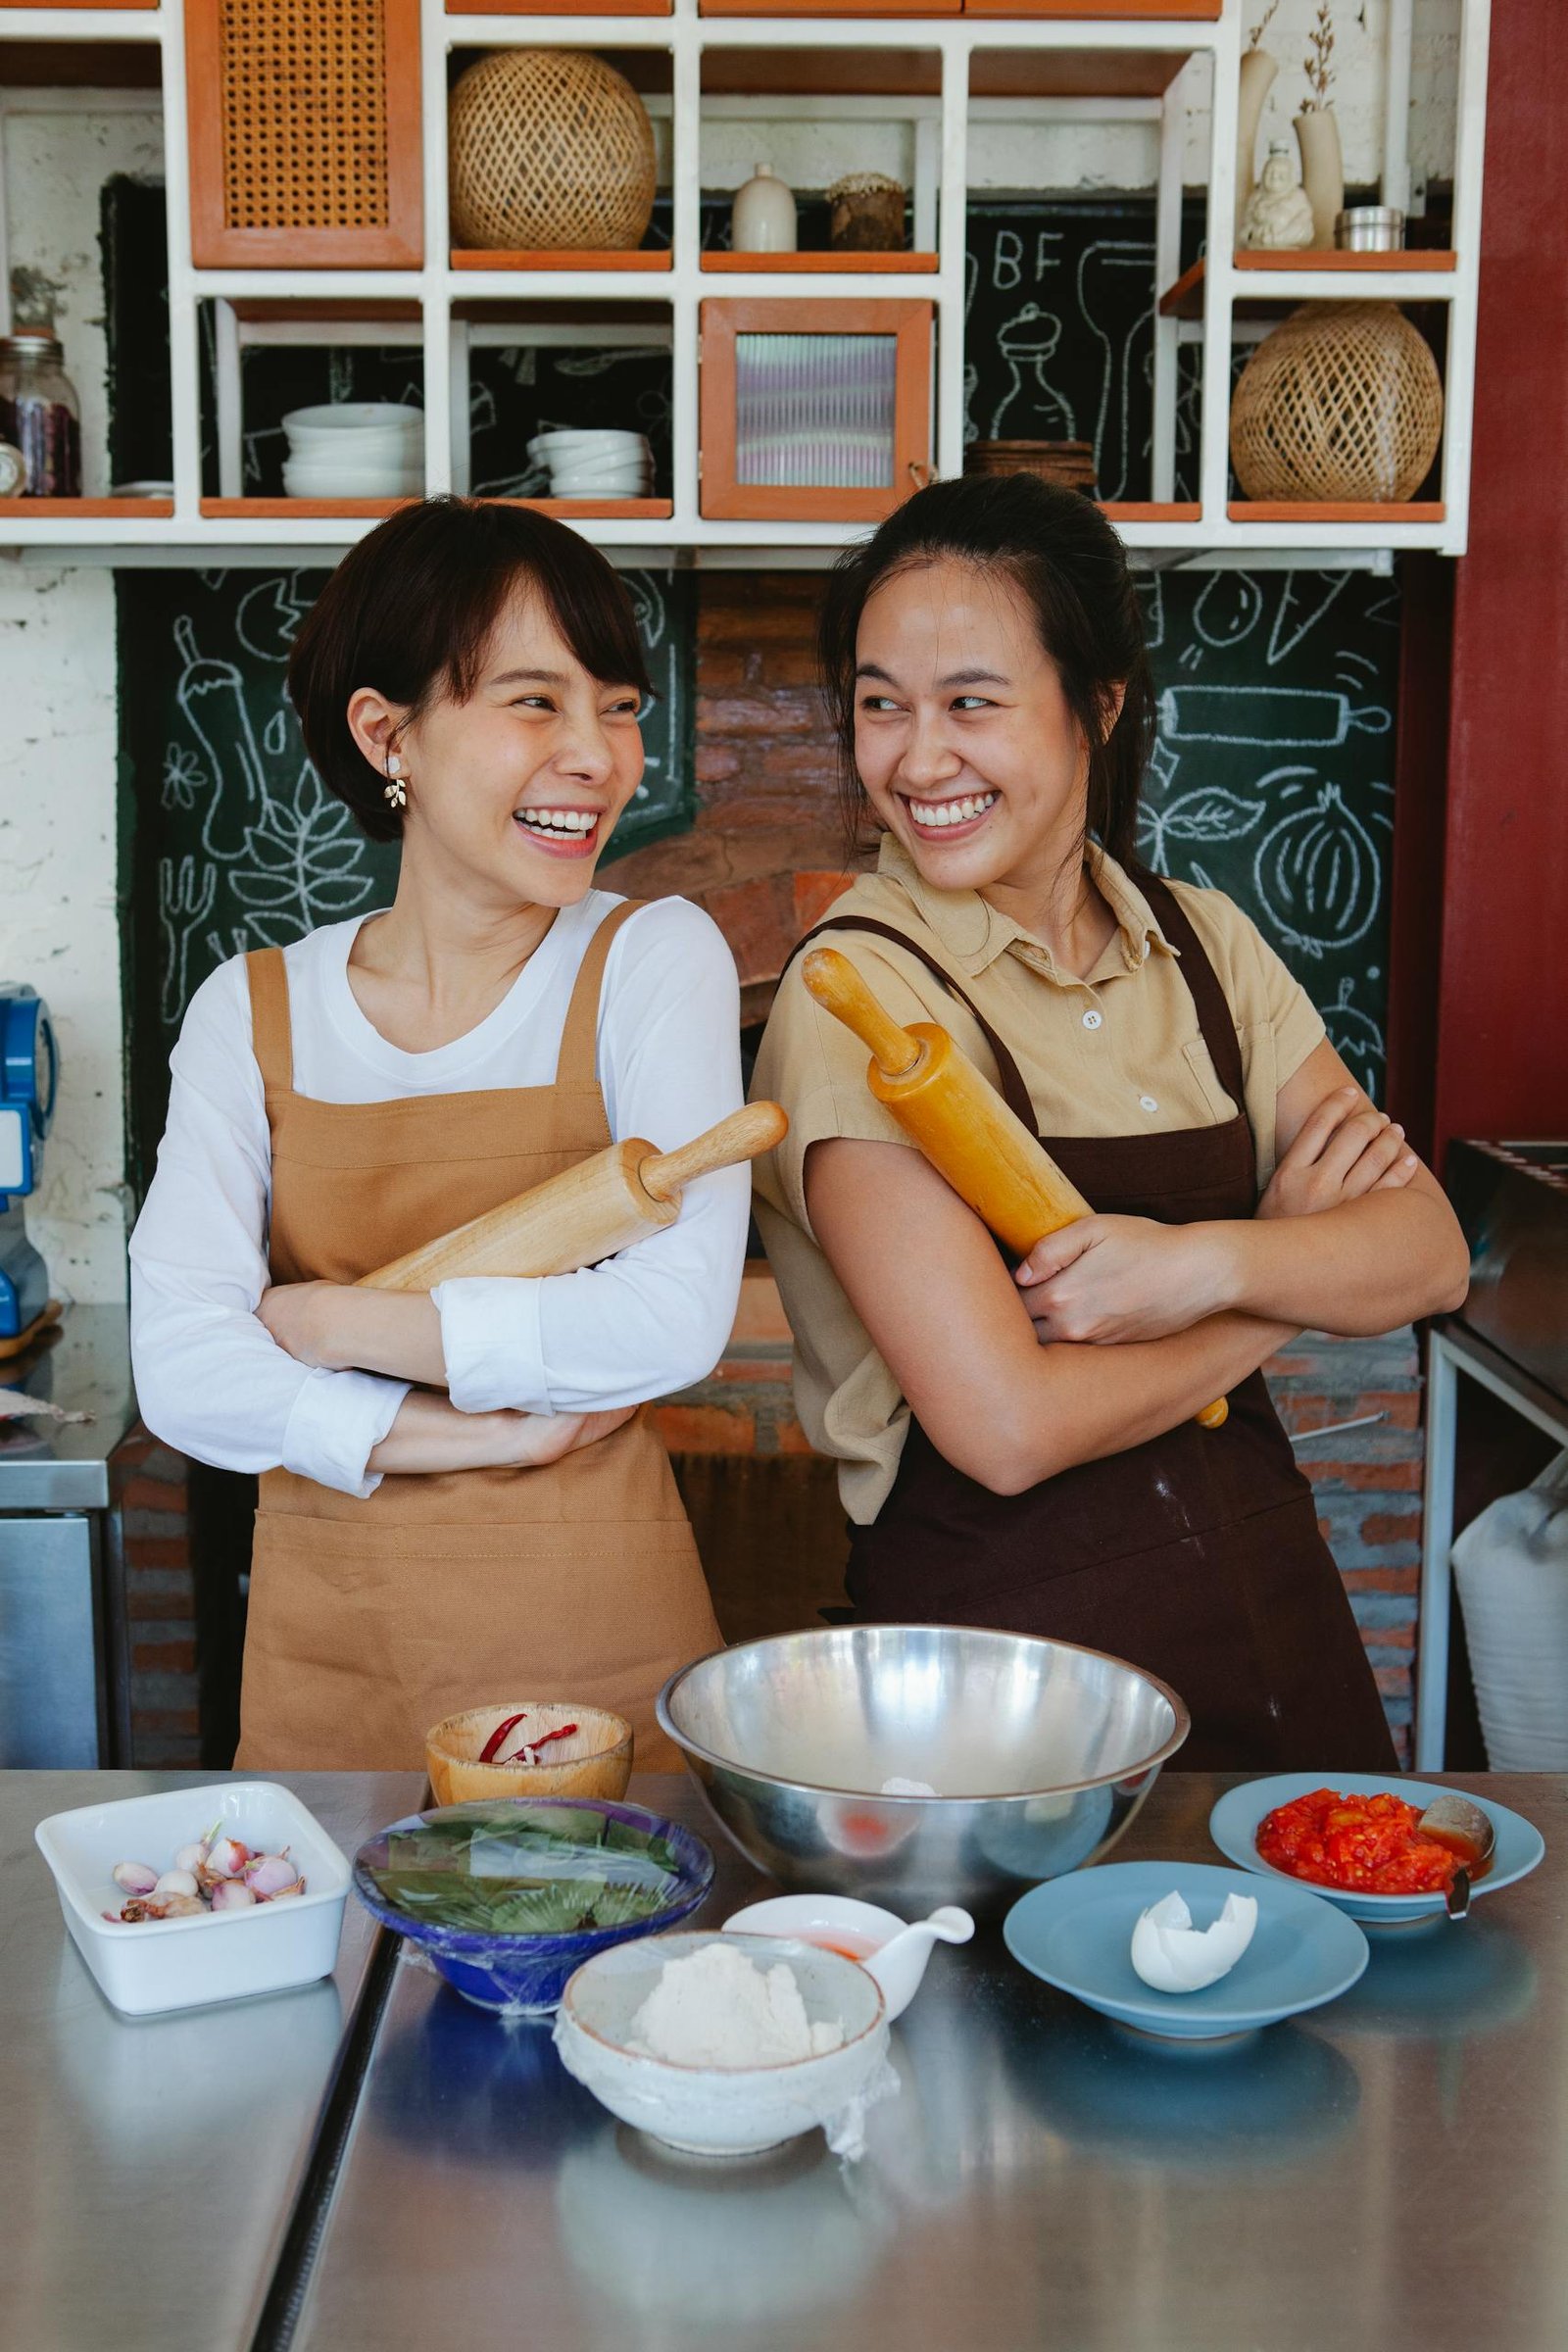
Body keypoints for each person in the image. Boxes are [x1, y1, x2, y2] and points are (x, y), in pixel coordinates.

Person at [752, 474, 1469, 1769]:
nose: (917, 761)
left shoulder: (1207, 945)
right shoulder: (858, 993)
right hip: (1003, 1683)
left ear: (1097, 704)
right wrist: (1290, 1279)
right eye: (880, 707)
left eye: (971, 702)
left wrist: (1206, 1262)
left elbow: (1427, 1253)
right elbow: (1006, 1429)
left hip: (1275, 1615)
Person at [131, 498, 748, 1770]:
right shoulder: (255, 1010)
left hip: (594, 1662)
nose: (598, 755)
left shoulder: (650, 958)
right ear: (386, 731)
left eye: (617, 707)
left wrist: (335, 1326)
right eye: (535, 702)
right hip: (332, 1664)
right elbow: (182, 1368)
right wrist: (484, 1430)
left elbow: (672, 1320)